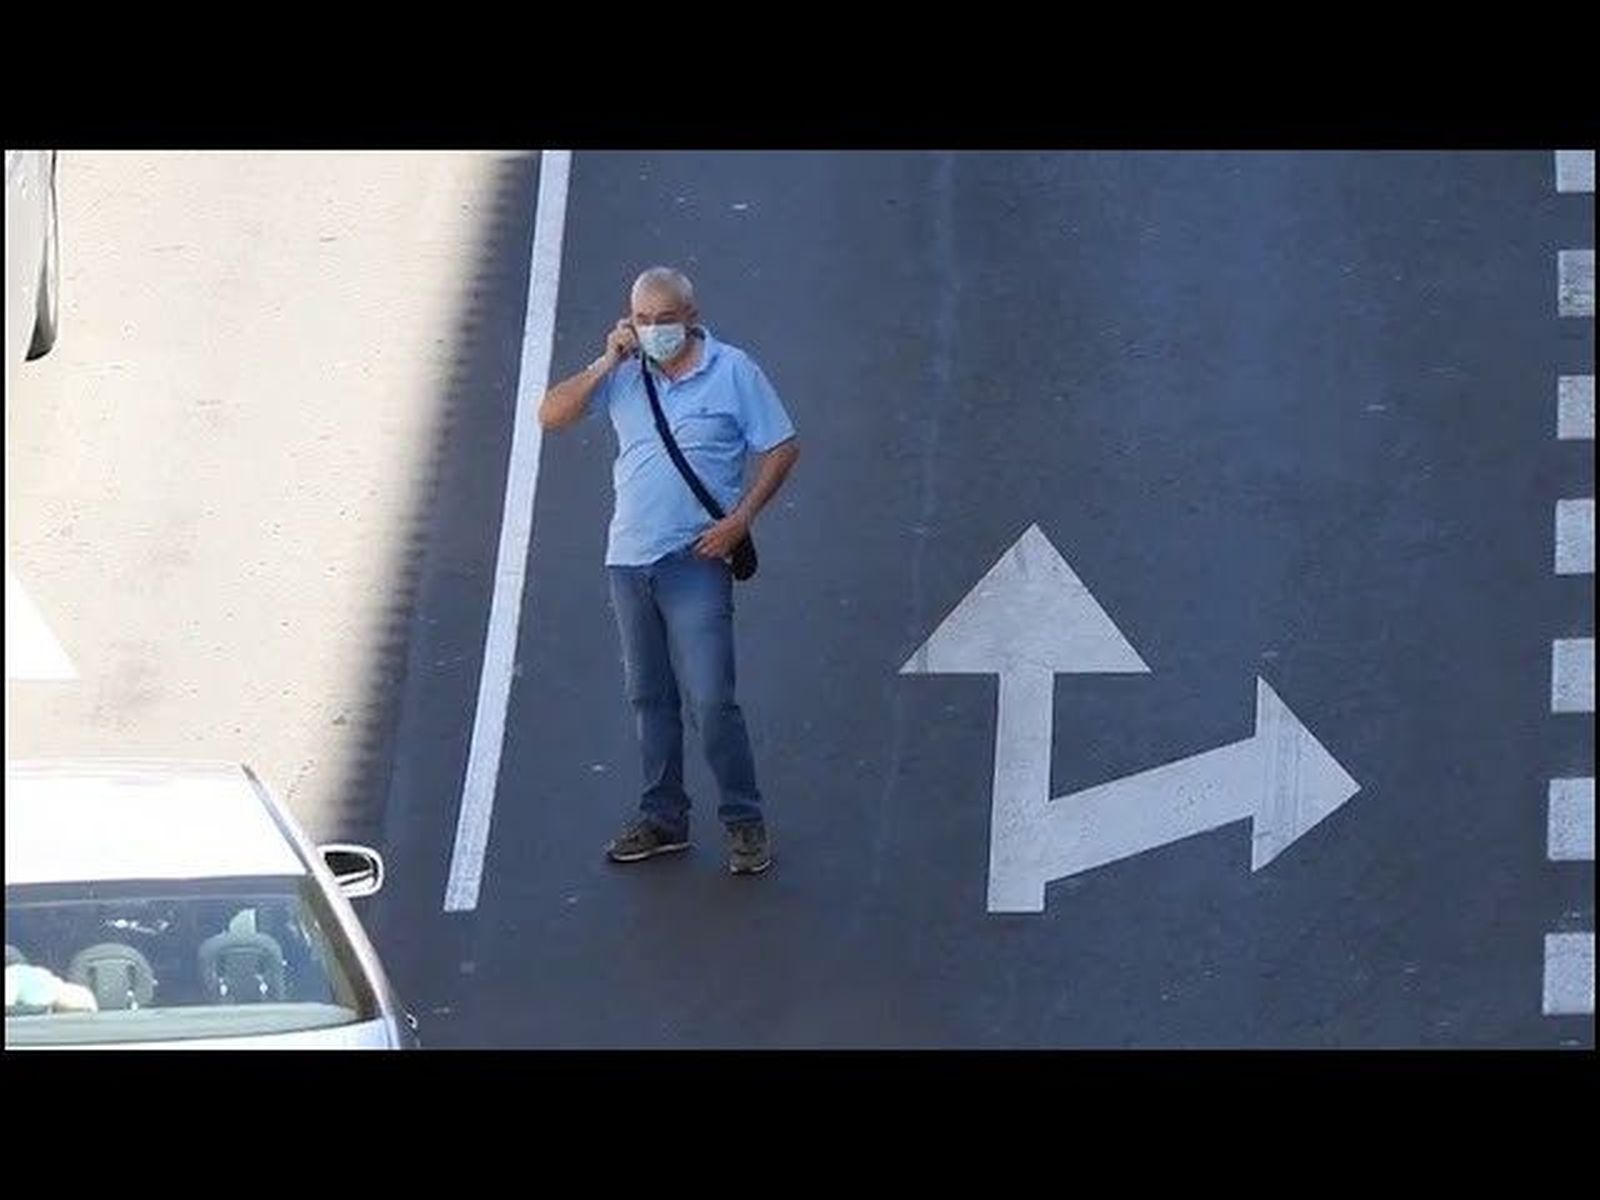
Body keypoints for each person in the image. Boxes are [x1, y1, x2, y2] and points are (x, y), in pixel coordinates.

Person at [539, 267, 799, 875]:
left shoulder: (733, 371)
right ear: (630, 321)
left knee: (711, 699)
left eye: (665, 319)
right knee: (648, 697)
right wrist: (605, 363)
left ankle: (744, 821)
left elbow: (782, 445)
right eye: (644, 320)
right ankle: (663, 817)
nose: (655, 331)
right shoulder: (624, 376)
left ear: (691, 315)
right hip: (628, 560)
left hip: (696, 559)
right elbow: (551, 415)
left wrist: (742, 518)